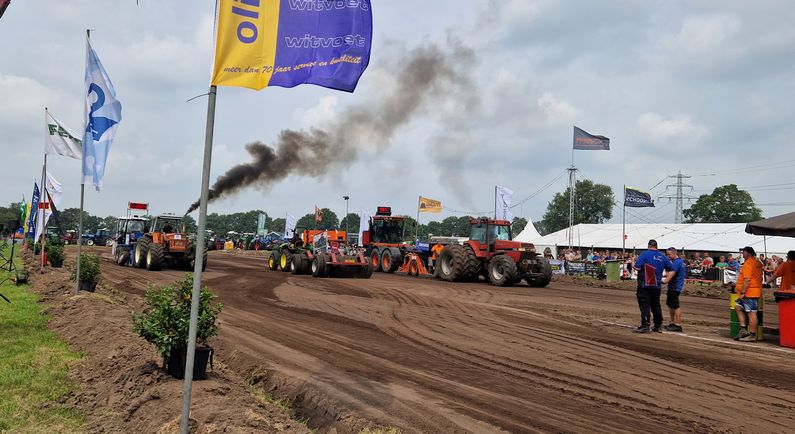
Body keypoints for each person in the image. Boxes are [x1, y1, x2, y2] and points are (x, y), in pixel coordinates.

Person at [633, 239, 673, 333]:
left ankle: (645, 325)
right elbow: (672, 269)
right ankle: (658, 325)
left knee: (644, 305)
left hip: (644, 285)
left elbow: (637, 267)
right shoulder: (663, 256)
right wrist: (666, 280)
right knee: (656, 305)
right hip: (657, 285)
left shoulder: (645, 254)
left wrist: (633, 262)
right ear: (656, 246)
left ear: (648, 246)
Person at [734, 246, 764, 341]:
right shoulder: (757, 262)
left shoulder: (748, 264)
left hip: (748, 292)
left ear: (749, 253)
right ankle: (743, 329)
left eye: (744, 252)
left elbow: (747, 279)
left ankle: (752, 335)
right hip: (754, 290)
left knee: (751, 313)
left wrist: (742, 292)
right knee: (738, 307)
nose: (742, 254)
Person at [662, 248, 687, 332]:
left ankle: (678, 324)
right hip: (673, 286)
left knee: (675, 306)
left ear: (674, 253)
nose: (668, 256)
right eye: (667, 254)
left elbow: (671, 273)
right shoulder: (677, 262)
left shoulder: (677, 262)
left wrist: (665, 281)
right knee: (671, 305)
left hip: (675, 287)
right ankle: (673, 323)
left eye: (669, 254)